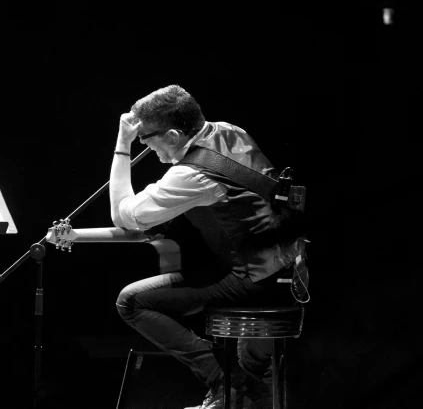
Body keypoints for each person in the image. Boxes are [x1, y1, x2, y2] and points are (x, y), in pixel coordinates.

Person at [110, 84, 308, 409]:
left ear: (173, 136)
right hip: (291, 268)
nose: (143, 143)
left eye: (144, 137)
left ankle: (225, 383)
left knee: (131, 301)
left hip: (255, 280)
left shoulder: (190, 174)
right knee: (251, 357)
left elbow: (125, 216)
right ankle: (244, 389)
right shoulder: (230, 131)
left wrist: (122, 145)